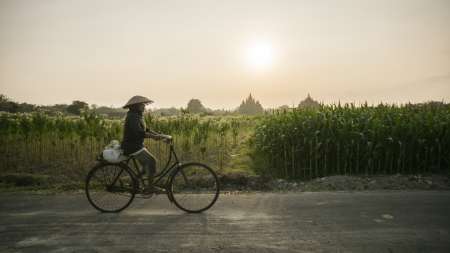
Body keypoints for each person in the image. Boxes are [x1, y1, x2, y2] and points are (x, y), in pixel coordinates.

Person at [121, 95, 165, 194]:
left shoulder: (138, 116)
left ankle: (133, 182)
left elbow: (146, 129)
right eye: (142, 104)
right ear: (136, 106)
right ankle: (151, 187)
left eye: (144, 104)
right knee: (151, 160)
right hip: (131, 145)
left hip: (136, 145)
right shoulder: (132, 116)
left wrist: (158, 135)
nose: (144, 106)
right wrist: (153, 137)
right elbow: (139, 132)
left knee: (146, 165)